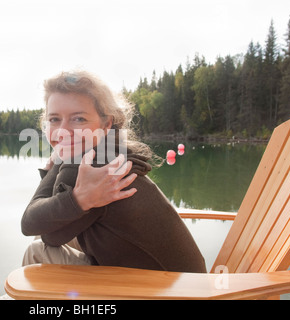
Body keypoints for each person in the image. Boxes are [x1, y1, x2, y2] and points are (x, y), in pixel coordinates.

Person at [20, 70, 206, 273]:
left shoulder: (93, 165)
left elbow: (34, 225)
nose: (63, 130)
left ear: (106, 123)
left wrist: (61, 174)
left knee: (37, 251)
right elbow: (47, 224)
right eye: (54, 119)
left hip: (166, 291)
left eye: (79, 119)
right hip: (178, 280)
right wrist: (61, 161)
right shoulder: (108, 151)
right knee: (48, 228)